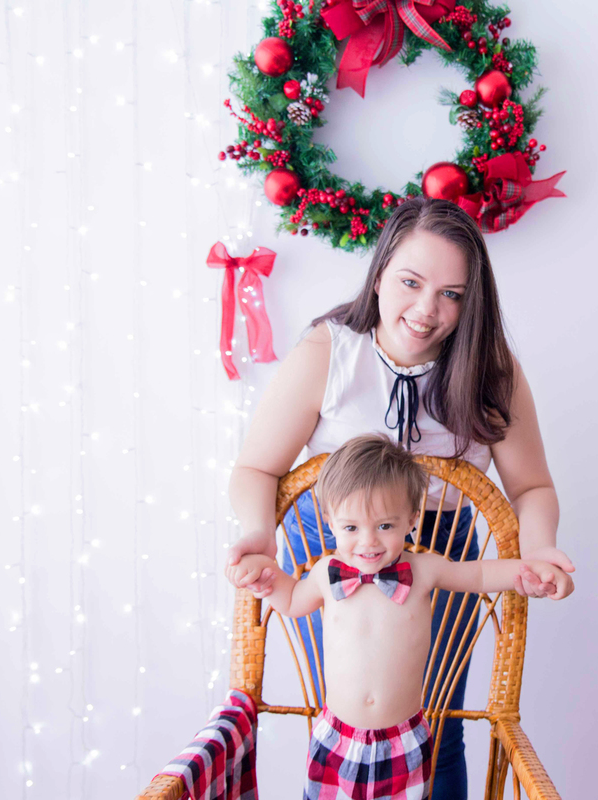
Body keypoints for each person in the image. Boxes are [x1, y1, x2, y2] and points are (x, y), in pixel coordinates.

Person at [225, 197, 574, 797]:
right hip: (332, 546)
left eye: (452, 294)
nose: (425, 310)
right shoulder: (329, 352)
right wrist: (260, 536)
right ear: (381, 270)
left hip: (444, 550)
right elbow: (257, 468)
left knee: (435, 728)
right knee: (348, 713)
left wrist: (540, 548)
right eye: (411, 282)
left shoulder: (491, 370)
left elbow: (532, 485)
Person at [227, 435, 572, 799]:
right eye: (351, 528)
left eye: (385, 526)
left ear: (411, 518)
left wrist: (530, 572)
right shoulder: (326, 573)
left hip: (403, 742)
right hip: (336, 736)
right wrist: (263, 576)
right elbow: (293, 599)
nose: (368, 542)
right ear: (329, 521)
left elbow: (481, 575)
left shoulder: (423, 570)